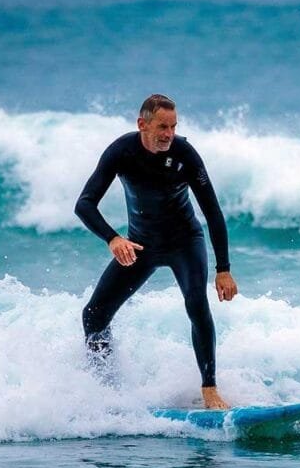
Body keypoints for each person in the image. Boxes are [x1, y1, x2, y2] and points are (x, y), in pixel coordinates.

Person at [74, 94, 238, 409]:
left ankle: (210, 390)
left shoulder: (185, 154)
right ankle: (104, 390)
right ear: (142, 124)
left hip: (184, 242)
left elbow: (213, 213)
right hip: (141, 245)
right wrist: (112, 239)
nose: (168, 134)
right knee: (94, 315)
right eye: (162, 126)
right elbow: (84, 203)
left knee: (196, 304)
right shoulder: (121, 151)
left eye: (173, 127)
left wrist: (223, 268)